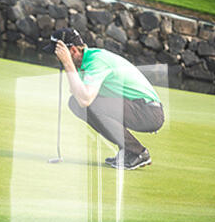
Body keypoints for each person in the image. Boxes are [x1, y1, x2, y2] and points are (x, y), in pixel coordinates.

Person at [54, 34, 164, 170]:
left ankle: (137, 152)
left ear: (73, 50)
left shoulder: (96, 61)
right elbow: (76, 93)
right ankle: (127, 150)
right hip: (137, 107)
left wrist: (67, 63)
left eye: (59, 54)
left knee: (92, 105)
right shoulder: (84, 63)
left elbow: (85, 99)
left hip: (148, 111)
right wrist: (70, 66)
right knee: (75, 103)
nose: (58, 58)